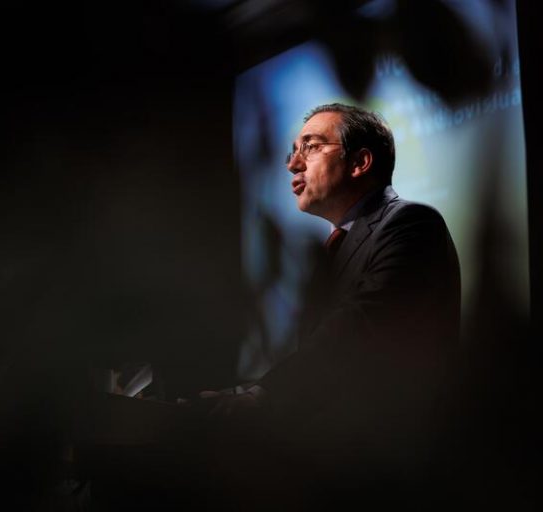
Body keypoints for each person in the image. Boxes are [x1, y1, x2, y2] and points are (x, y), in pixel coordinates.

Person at [196, 103, 461, 495]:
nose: (293, 165)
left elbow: (359, 329)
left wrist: (263, 396)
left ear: (360, 162)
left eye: (311, 147)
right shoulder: (333, 248)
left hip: (387, 475)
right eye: (292, 151)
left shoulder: (410, 223)